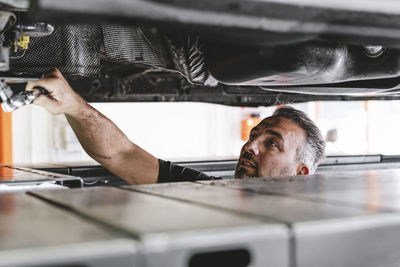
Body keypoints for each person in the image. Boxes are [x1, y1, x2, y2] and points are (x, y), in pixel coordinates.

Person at [26, 69, 326, 184]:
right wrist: (72, 106)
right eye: (253, 136)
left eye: (271, 143)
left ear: (301, 173)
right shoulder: (205, 190)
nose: (249, 147)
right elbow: (122, 155)